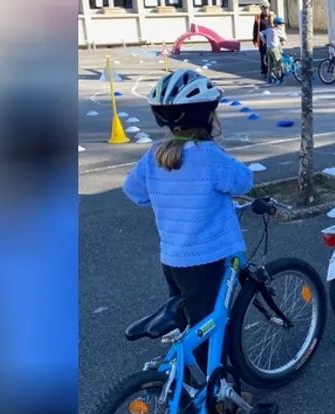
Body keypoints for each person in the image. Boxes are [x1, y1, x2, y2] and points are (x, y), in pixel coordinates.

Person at [122, 70, 253, 377]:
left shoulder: (155, 154)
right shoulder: (209, 156)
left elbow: (133, 191)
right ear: (208, 117)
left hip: (173, 258)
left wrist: (166, 199)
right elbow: (244, 181)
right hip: (207, 259)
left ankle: (189, 378)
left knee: (188, 319)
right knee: (209, 327)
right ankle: (213, 391)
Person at [252, 1, 275, 77]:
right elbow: (255, 29)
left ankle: (273, 71)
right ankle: (264, 71)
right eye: (264, 8)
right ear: (261, 9)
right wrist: (254, 39)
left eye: (267, 8)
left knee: (272, 55)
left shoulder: (273, 16)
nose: (266, 10)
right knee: (264, 56)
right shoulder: (258, 18)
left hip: (272, 39)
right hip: (262, 41)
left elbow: (278, 27)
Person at [261, 16, 288, 83]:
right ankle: (278, 78)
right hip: (275, 49)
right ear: (275, 24)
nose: (281, 26)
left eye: (282, 24)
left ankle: (269, 79)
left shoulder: (269, 30)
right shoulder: (277, 31)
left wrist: (264, 41)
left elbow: (260, 33)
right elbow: (285, 38)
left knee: (270, 65)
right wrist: (281, 38)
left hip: (268, 49)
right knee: (278, 63)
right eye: (280, 24)